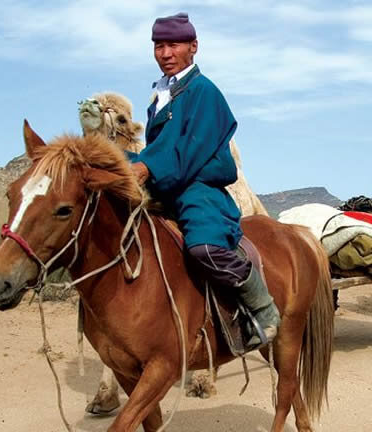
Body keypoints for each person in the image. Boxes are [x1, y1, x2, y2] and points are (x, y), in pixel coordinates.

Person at [129, 12, 279, 347]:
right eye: (158, 46)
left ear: (193, 47)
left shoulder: (203, 91)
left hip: (198, 187)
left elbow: (187, 147)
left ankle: (263, 308)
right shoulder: (163, 95)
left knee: (204, 249)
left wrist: (146, 168)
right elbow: (162, 149)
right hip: (169, 183)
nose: (165, 53)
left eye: (173, 45)